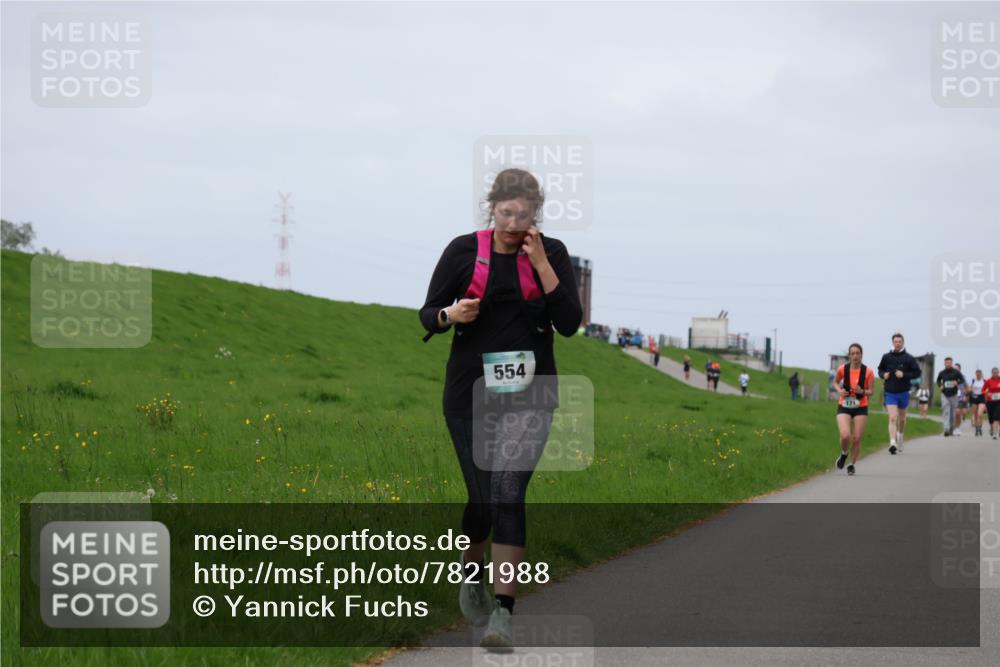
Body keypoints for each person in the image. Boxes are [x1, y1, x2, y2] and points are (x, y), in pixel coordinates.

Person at [419, 168, 582, 650]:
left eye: (524, 213)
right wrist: (451, 315)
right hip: (471, 392)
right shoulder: (463, 251)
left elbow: (570, 323)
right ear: (492, 208)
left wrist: (542, 264)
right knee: (484, 498)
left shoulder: (551, 253)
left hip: (532, 393)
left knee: (509, 491)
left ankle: (504, 614)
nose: (514, 221)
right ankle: (472, 571)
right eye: (506, 211)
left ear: (536, 213)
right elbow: (428, 312)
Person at [876, 333, 922, 454]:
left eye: (899, 341)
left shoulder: (909, 358)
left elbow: (917, 373)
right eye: (895, 341)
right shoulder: (886, 357)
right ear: (892, 343)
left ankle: (900, 436)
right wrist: (883, 375)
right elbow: (880, 370)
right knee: (892, 417)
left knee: (902, 420)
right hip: (890, 392)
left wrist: (904, 375)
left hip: (903, 392)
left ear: (903, 343)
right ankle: (892, 442)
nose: (897, 343)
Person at [834, 343, 875, 476]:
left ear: (861, 355)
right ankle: (844, 453)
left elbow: (871, 391)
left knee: (856, 438)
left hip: (860, 406)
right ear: (849, 355)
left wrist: (862, 390)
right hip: (844, 405)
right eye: (853, 353)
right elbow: (835, 382)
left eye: (858, 353)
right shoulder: (842, 369)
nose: (855, 356)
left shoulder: (868, 372)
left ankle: (851, 465)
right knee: (845, 435)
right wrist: (840, 391)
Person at [936, 356, 966, 437]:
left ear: (952, 363)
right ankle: (946, 429)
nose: (948, 364)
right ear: (944, 363)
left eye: (949, 363)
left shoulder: (956, 372)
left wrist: (957, 382)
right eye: (946, 363)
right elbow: (938, 380)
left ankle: (951, 429)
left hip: (953, 395)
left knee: (952, 413)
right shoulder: (941, 373)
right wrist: (940, 385)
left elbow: (962, 379)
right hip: (944, 394)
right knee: (946, 411)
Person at [968, 369, 987, 437]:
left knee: (980, 413)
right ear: (976, 374)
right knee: (975, 414)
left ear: (981, 374)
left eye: (979, 374)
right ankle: (977, 428)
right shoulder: (973, 381)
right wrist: (971, 389)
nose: (978, 375)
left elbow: (988, 389)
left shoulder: (984, 381)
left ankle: (980, 426)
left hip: (982, 397)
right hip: (974, 397)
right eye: (977, 374)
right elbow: (969, 389)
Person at [983, 367, 1000, 440]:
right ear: (992, 373)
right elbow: (983, 390)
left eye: (997, 372)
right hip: (990, 401)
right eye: (994, 372)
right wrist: (987, 393)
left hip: (999, 401)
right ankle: (992, 428)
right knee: (991, 417)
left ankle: (996, 433)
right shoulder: (988, 381)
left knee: (996, 416)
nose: (995, 374)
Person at [955, 363, 968, 434]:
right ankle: (953, 427)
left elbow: (966, 387)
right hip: (951, 396)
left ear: (959, 369)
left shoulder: (962, 377)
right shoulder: (950, 376)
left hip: (960, 397)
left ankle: (957, 428)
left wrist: (965, 395)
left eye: (957, 368)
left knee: (957, 413)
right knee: (952, 413)